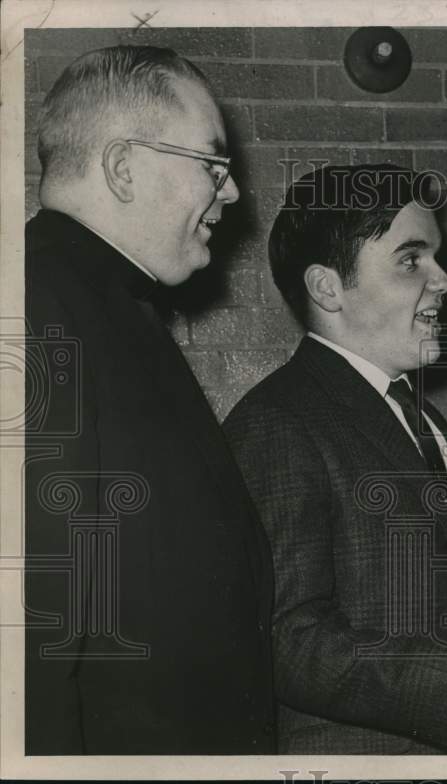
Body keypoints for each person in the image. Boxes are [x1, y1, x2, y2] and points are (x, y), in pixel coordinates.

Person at [223, 163, 447, 754]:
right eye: (410, 260)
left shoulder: (422, 419)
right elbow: (286, 639)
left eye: (436, 258)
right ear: (327, 287)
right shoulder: (277, 425)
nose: (443, 281)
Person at [24, 46, 274, 753]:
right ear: (123, 167)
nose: (231, 195)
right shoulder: (35, 309)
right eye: (212, 166)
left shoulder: (106, 304)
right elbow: (31, 638)